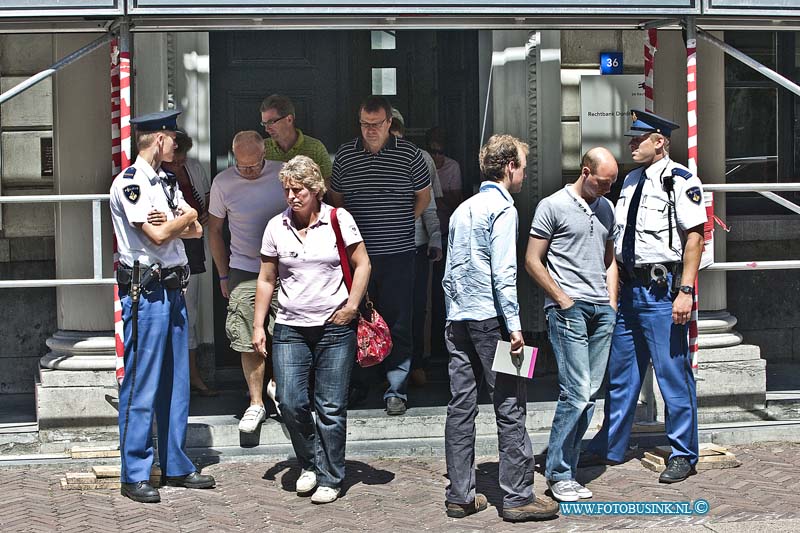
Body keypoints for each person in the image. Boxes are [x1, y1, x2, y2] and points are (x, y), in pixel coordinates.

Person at [586, 110, 707, 484]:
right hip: (629, 290)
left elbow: (695, 238)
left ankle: (683, 453)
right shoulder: (630, 180)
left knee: (673, 375)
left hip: (660, 290)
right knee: (622, 375)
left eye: (639, 138)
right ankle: (612, 445)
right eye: (631, 138)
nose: (631, 144)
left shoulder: (680, 180)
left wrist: (685, 291)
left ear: (659, 141)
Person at [442, 134, 558, 522]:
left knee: (461, 406)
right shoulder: (503, 209)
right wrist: (515, 327)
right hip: (492, 322)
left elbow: (449, 274)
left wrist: (452, 314)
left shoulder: (463, 209)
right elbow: (504, 273)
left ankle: (460, 494)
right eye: (523, 166)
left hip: (458, 320)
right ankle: (519, 496)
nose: (524, 174)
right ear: (509, 167)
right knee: (510, 404)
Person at [109, 109, 215, 503]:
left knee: (176, 381)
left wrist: (181, 219)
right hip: (147, 290)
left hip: (173, 289)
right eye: (173, 138)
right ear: (159, 140)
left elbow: (198, 230)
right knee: (142, 382)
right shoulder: (131, 183)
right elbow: (156, 235)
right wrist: (183, 216)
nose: (177, 144)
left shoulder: (167, 180)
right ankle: (134, 471)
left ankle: (174, 463)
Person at [252, 155, 370, 504]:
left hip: (334, 327)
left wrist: (351, 306)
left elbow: (362, 264)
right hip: (290, 325)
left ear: (316, 189)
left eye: (299, 189)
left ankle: (331, 476)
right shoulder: (276, 226)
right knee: (290, 401)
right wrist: (259, 324)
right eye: (287, 189)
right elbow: (266, 278)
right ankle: (309, 463)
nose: (292, 196)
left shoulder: (339, 219)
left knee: (331, 406)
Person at [525, 147, 619, 502]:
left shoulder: (607, 208)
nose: (608, 189)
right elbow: (533, 260)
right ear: (585, 172)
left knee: (590, 394)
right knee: (576, 391)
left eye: (612, 183)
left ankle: (567, 467)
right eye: (604, 182)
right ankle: (559, 472)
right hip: (569, 310)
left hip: (601, 310)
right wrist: (562, 299)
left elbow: (610, 260)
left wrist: (611, 302)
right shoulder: (552, 206)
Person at [328, 95, 431, 416]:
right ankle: (359, 383)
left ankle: (395, 389)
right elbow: (337, 200)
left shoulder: (410, 156)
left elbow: (423, 198)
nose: (370, 130)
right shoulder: (345, 156)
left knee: (399, 321)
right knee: (356, 319)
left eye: (376, 124)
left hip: (400, 253)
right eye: (364, 124)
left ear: (389, 123)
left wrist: (402, 224)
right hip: (358, 257)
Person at [208, 131, 286, 432]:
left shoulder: (281, 174)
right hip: (243, 267)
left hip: (284, 268)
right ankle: (255, 403)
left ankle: (280, 389)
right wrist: (224, 273)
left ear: (265, 153)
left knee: (284, 333)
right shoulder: (223, 182)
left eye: (254, 165)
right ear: (233, 157)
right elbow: (214, 229)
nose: (249, 172)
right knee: (246, 337)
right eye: (243, 166)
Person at [159, 129, 217, 397]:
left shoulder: (193, 168)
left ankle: (192, 375)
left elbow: (205, 200)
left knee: (190, 311)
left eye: (183, 160)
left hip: (194, 248)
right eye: (175, 161)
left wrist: (201, 216)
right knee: (174, 313)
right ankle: (177, 379)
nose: (180, 164)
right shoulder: (155, 178)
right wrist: (190, 221)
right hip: (169, 252)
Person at [388, 112, 442, 387]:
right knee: (383, 308)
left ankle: (416, 362)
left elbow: (430, 203)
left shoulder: (421, 158)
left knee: (417, 306)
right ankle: (385, 365)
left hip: (415, 244)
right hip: (381, 246)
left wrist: (435, 239)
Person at [426, 127, 463, 359]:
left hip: (448, 232)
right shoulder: (423, 164)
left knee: (444, 288)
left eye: (441, 152)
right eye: (433, 151)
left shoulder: (453, 167)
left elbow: (454, 202)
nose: (437, 156)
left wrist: (439, 195)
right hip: (428, 234)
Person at [260, 94, 333, 180]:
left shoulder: (315, 148)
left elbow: (328, 183)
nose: (267, 129)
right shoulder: (261, 148)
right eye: (264, 124)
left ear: (289, 119)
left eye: (271, 122)